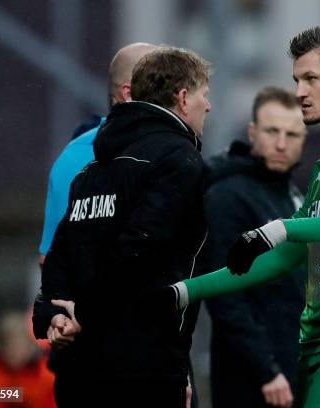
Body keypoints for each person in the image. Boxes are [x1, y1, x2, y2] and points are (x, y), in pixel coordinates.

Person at [167, 25, 320, 408]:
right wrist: (187, 290)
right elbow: (283, 257)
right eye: (297, 80)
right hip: (318, 340)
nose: (300, 91)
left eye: (311, 79)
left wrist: (282, 227)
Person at [32, 47, 211, 407]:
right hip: (145, 370)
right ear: (183, 97)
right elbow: (140, 250)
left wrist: (54, 317)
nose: (208, 106)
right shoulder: (180, 160)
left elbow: (57, 257)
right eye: (205, 95)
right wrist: (84, 315)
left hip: (78, 370)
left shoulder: (90, 169)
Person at [202, 86, 307, 408]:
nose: (281, 143)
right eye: (272, 131)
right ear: (252, 133)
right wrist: (266, 370)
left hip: (295, 370)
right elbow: (225, 295)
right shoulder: (227, 197)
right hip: (251, 381)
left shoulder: (296, 198)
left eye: (292, 134)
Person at [38, 42, 157, 267]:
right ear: (128, 94)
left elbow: (48, 258)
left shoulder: (71, 155)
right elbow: (51, 259)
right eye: (162, 86)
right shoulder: (78, 157)